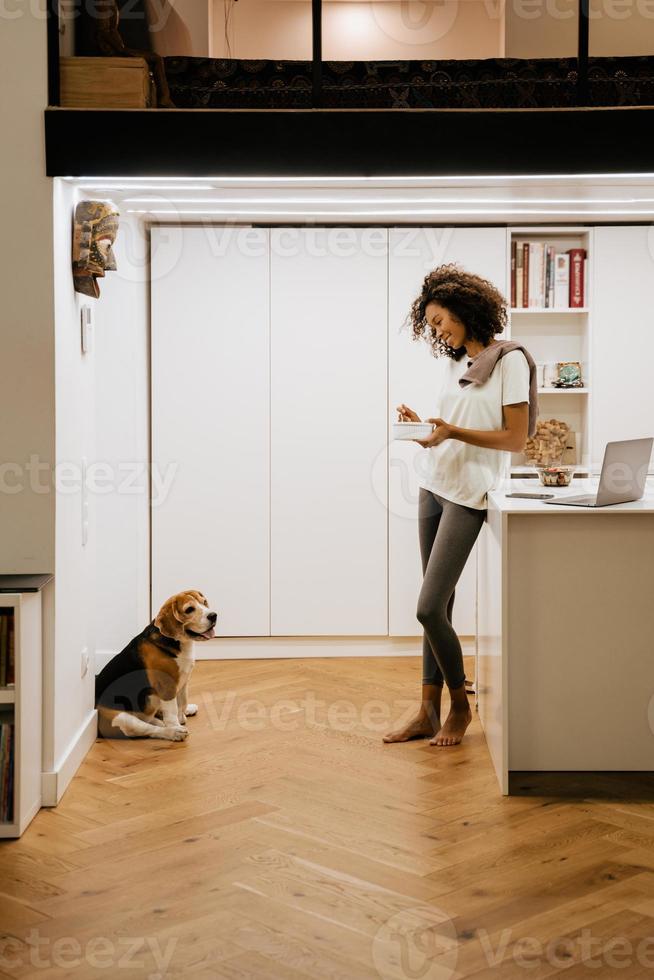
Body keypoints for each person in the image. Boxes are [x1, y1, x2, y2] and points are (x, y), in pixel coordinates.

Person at [383, 264, 531, 747]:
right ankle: (427, 710)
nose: (438, 330)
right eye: (431, 323)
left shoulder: (509, 360)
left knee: (427, 609)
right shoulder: (455, 363)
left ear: (467, 310)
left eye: (442, 319)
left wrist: (451, 431)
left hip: (470, 494)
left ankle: (460, 706)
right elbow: (452, 426)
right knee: (440, 603)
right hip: (435, 484)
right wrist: (427, 429)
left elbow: (514, 439)